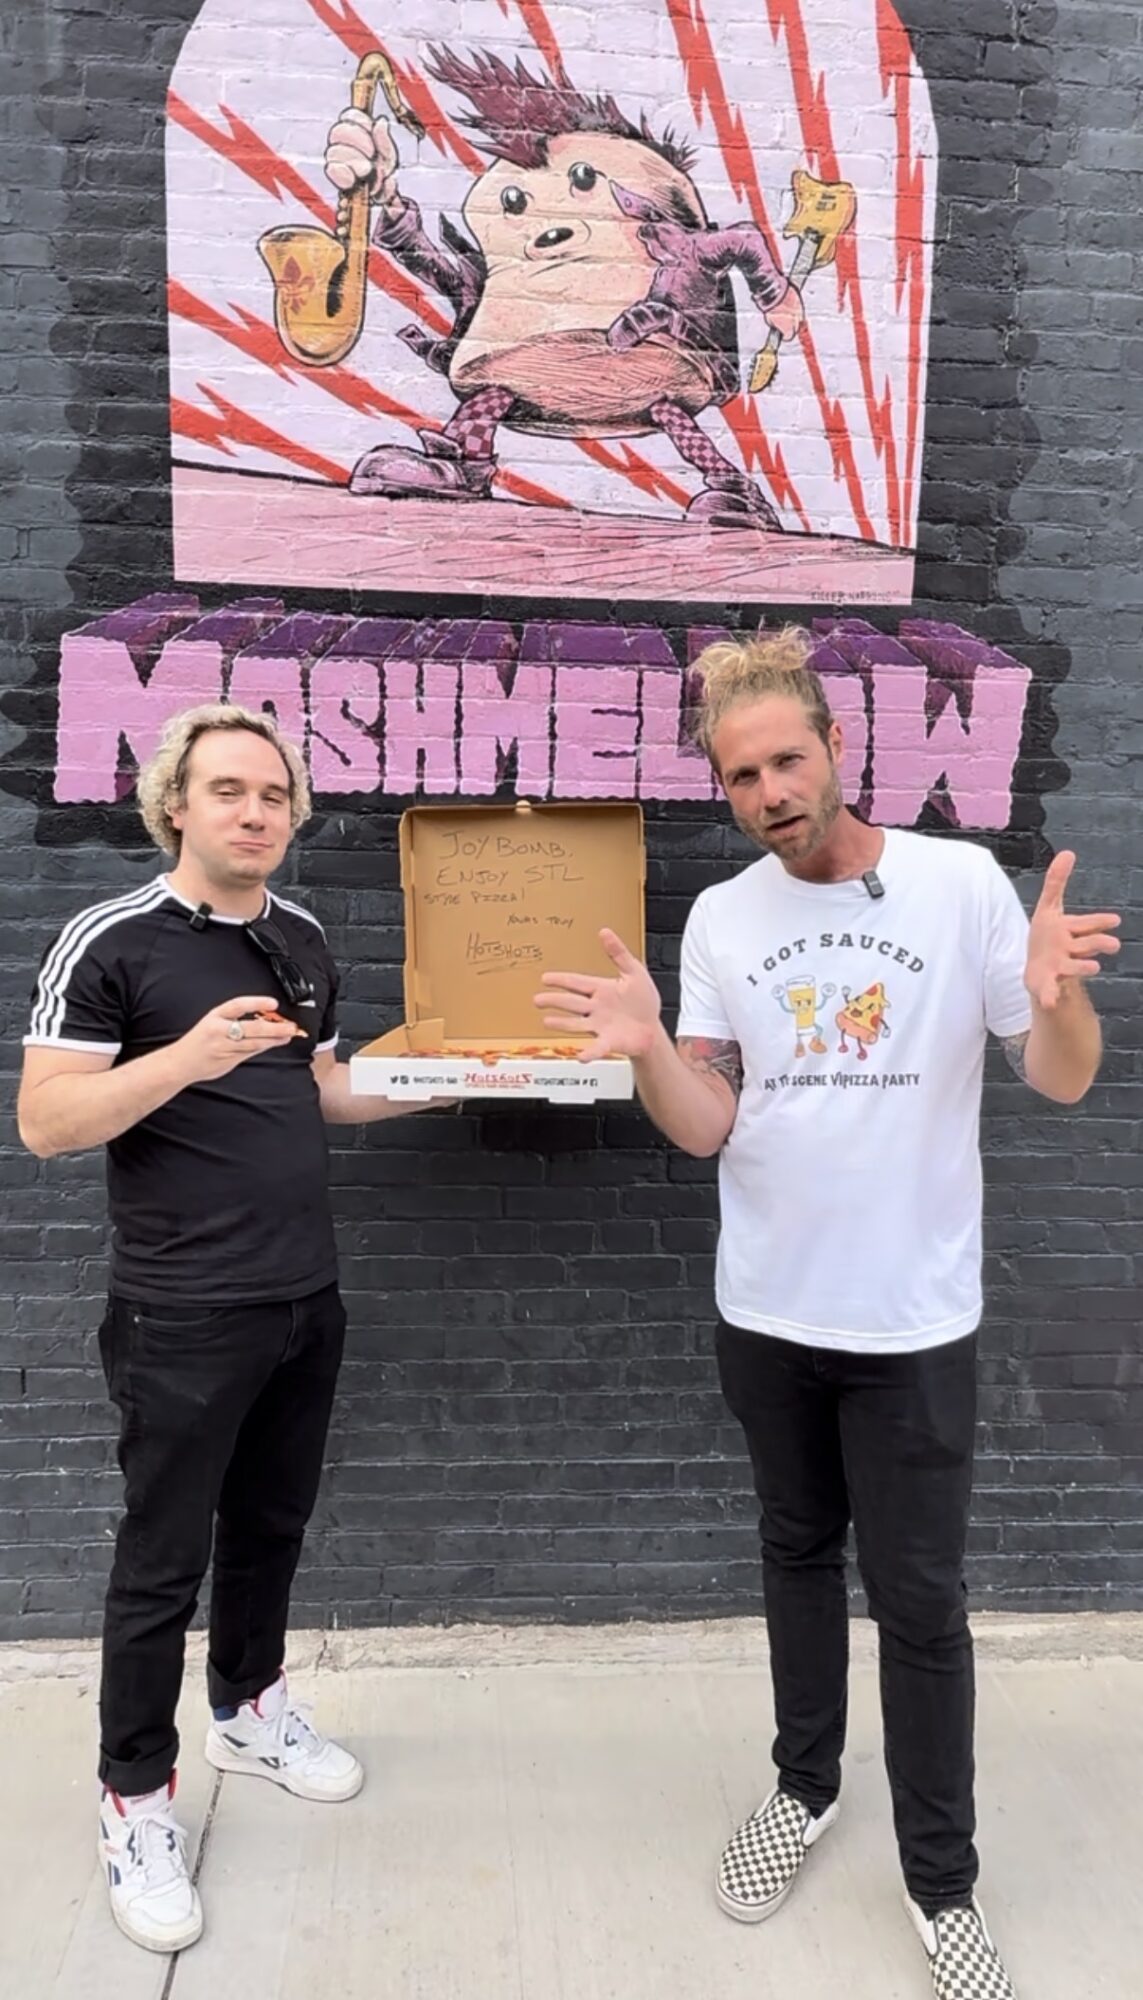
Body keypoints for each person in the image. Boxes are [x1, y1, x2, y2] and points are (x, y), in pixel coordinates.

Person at [535, 629, 1119, 2000]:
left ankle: (941, 1880)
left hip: (911, 1322)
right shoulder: (724, 919)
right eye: (739, 777)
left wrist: (1061, 992)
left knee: (918, 1606)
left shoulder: (958, 884)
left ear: (836, 746)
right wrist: (641, 1058)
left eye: (785, 760)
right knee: (794, 1556)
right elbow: (706, 1125)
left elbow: (1059, 1078)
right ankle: (801, 1790)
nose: (767, 792)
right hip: (769, 1312)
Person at [18, 704, 434, 1956]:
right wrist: (185, 1059)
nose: (255, 811)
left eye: (275, 794)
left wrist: (462, 1070)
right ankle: (135, 1795)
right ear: (177, 806)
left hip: (305, 1297)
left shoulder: (303, 939)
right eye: (229, 790)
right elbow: (47, 1121)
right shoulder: (116, 941)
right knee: (161, 1559)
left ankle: (250, 1705)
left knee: (273, 1525)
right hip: (180, 1310)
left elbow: (328, 1090)